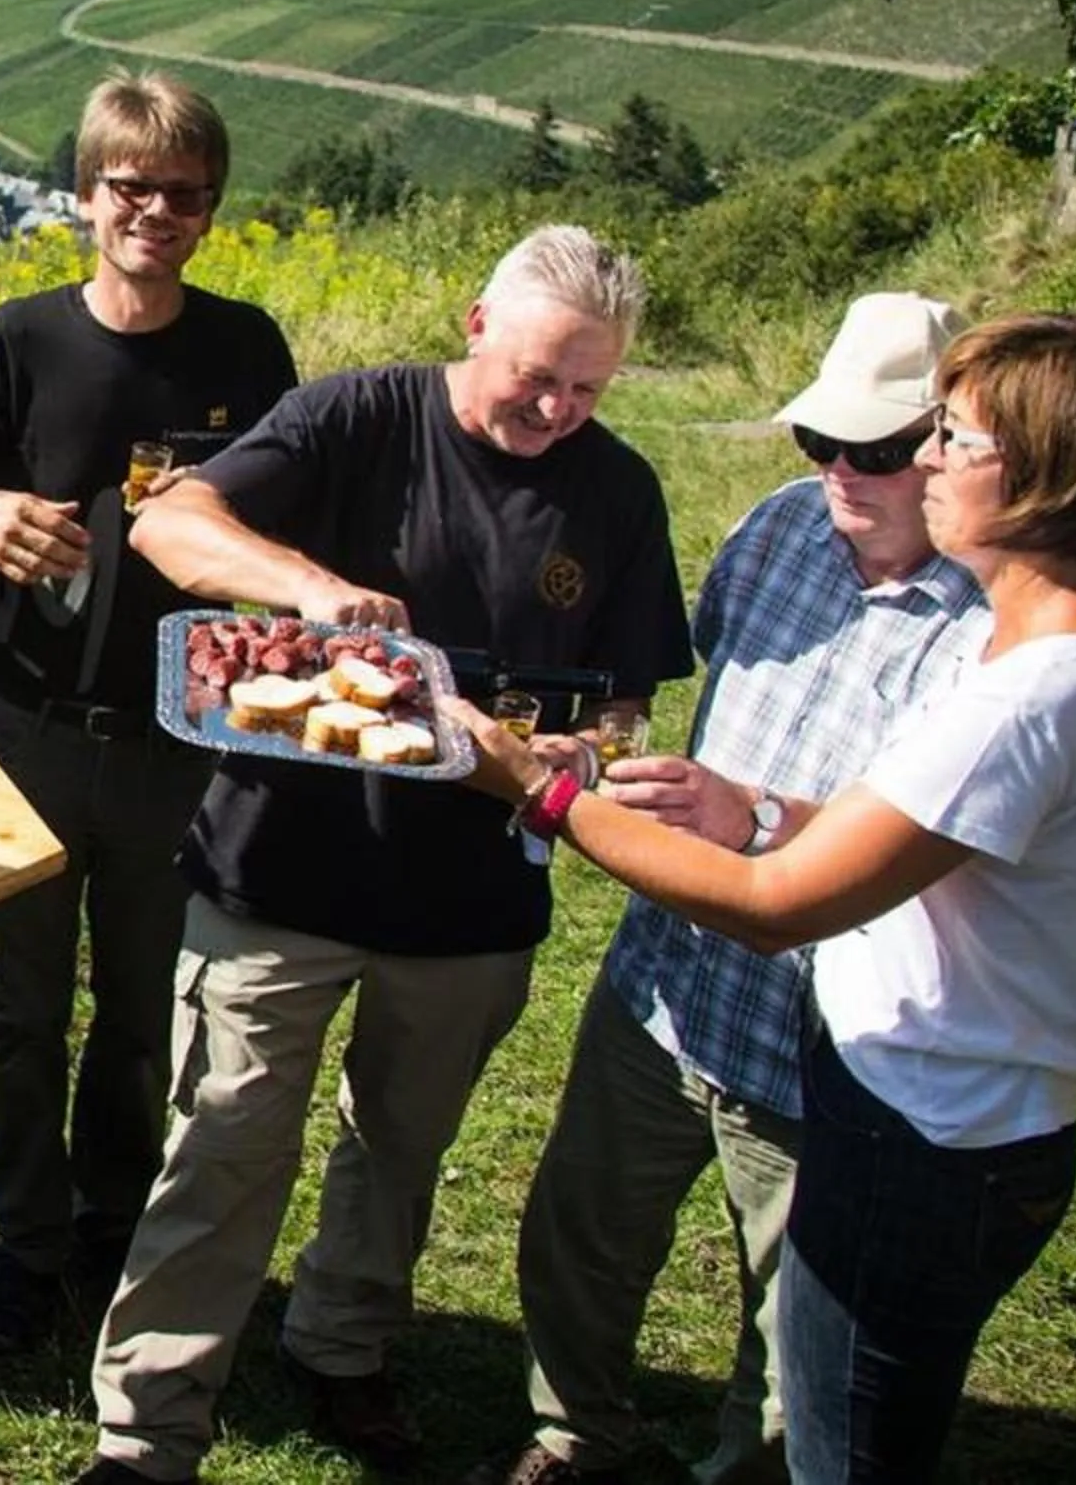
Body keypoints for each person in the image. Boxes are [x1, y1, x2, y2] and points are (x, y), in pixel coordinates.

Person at [448, 312, 1076, 1485]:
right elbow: (1026, 837)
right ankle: (582, 1435)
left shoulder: (1022, 694)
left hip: (916, 1123)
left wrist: (534, 789)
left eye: (946, 438)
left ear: (1044, 479)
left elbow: (775, 905)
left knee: (833, 1433)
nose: (923, 459)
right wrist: (757, 808)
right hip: (913, 1094)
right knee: (612, 1247)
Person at [80, 225, 696, 1483]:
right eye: (537, 374)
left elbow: (626, 701)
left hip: (469, 895)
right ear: (477, 324)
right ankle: (146, 1427)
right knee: (225, 1140)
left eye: (587, 387)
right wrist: (307, 588)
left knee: (402, 1147)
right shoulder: (359, 415)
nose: (556, 408)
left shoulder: (619, 489)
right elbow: (170, 526)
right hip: (281, 866)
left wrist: (583, 754)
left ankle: (342, 1343)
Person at [476, 293, 990, 1485]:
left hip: (829, 1029)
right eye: (821, 440)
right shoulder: (776, 527)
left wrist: (753, 816)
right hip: (670, 979)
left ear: (946, 446)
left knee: (797, 1316)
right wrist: (605, 749)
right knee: (581, 1234)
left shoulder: (992, 624)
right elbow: (664, 687)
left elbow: (946, 843)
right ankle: (575, 1435)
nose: (840, 472)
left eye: (875, 449)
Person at [0, 71, 295, 1352]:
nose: (157, 213)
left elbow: (279, 528)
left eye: (185, 194)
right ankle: (24, 1243)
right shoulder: (18, 341)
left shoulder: (247, 350)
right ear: (85, 195)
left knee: (142, 1009)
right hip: (26, 729)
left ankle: (112, 1222)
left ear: (211, 209)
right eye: (133, 188)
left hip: (178, 739)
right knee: (23, 1010)